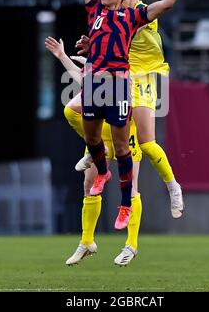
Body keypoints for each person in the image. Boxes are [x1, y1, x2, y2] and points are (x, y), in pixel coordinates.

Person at [78, 0, 200, 231]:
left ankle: (168, 188)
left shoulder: (135, 17)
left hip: (136, 78)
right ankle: (97, 160)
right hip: (98, 81)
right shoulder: (97, 13)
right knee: (74, 114)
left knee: (143, 143)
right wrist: (90, 46)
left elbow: (166, 4)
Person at [45, 37, 142, 266]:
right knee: (89, 185)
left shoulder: (126, 60)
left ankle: (131, 245)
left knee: (132, 187)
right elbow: (84, 81)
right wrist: (62, 56)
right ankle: (87, 242)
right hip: (102, 127)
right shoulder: (99, 62)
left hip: (124, 126)